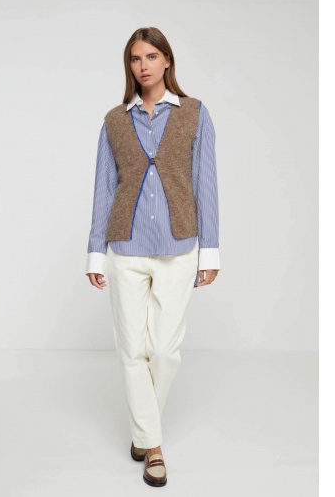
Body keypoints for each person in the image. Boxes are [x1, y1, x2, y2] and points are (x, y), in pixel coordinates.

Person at [85, 27, 220, 487]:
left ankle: (144, 431)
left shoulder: (195, 114)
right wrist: (95, 253)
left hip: (180, 247)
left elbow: (206, 184)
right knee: (132, 349)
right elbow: (104, 189)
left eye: (150, 56)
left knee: (164, 350)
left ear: (167, 61)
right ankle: (153, 448)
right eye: (134, 58)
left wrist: (210, 251)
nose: (142, 65)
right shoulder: (114, 121)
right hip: (124, 248)